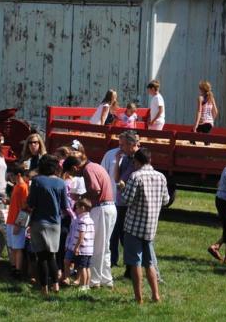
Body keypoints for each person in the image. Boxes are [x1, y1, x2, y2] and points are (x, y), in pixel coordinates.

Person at [122, 148, 170, 304]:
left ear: (137, 161)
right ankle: (156, 295)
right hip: (150, 227)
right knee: (149, 263)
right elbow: (166, 201)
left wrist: (122, 188)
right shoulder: (161, 177)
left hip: (134, 226)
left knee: (135, 263)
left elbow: (126, 200)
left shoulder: (135, 176)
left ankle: (139, 297)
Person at [69, 151, 117, 289]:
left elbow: (95, 190)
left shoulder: (88, 170)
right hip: (109, 208)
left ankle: (94, 280)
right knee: (104, 246)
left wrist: (80, 197)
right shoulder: (95, 166)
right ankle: (106, 279)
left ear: (75, 167)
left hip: (101, 208)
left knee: (95, 246)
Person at [28, 155, 69, 298]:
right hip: (55, 223)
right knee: (52, 255)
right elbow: (65, 206)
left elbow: (31, 203)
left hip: (38, 222)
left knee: (41, 256)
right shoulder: (61, 183)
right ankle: (56, 285)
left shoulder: (37, 181)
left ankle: (44, 288)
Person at [104, 130, 139, 271]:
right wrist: (118, 160)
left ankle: (131, 265)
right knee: (115, 231)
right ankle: (113, 260)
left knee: (127, 236)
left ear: (131, 144)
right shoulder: (124, 157)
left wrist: (122, 182)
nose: (120, 148)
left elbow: (125, 178)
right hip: (120, 201)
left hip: (130, 203)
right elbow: (117, 179)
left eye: (123, 145)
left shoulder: (138, 158)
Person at [5, 164, 30, 278]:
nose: (10, 178)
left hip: (17, 222)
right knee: (12, 246)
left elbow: (25, 208)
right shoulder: (16, 186)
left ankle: (18, 270)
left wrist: (19, 224)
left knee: (18, 247)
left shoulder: (23, 187)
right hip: (10, 220)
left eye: (12, 175)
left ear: (18, 175)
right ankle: (13, 266)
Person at [67, 198, 95, 291]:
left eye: (77, 208)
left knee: (82, 267)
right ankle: (87, 285)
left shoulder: (82, 220)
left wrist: (77, 247)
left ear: (83, 208)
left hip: (83, 249)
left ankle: (83, 285)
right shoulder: (90, 220)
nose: (76, 210)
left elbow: (81, 235)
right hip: (89, 249)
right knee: (87, 267)